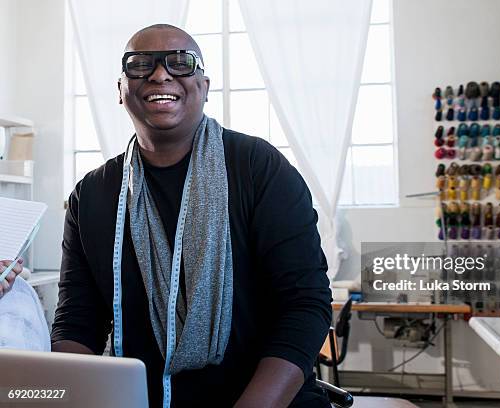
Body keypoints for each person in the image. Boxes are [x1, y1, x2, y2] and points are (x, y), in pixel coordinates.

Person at [51, 24, 332, 408]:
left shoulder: (258, 168)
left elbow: (305, 304)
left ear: (204, 85)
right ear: (120, 90)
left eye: (181, 63)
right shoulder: (93, 195)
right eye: (139, 64)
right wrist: (80, 398)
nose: (160, 74)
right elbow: (76, 321)